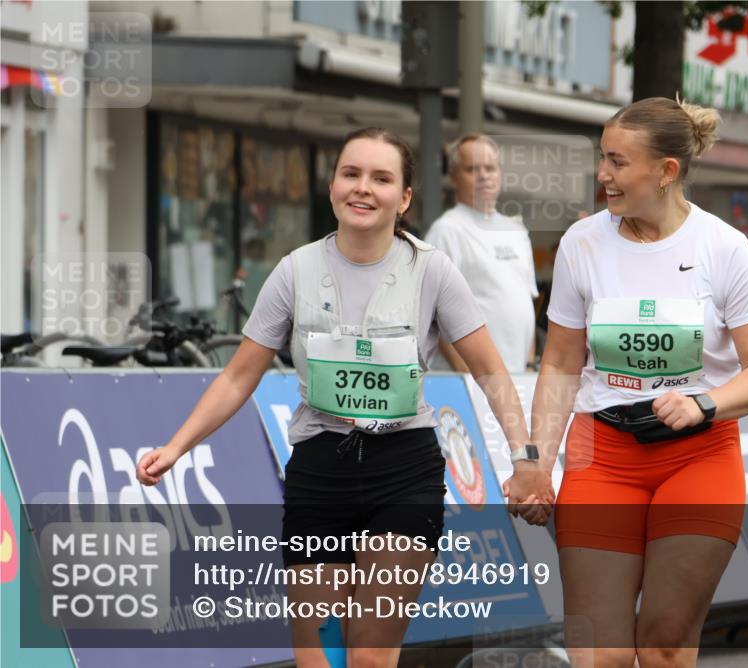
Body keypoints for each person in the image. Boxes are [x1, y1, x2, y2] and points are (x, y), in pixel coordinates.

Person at [136, 127, 553, 668]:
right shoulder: (294, 270)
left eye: (381, 179)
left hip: (404, 469)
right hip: (320, 469)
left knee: (370, 660)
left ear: (403, 199)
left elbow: (491, 371)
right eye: (351, 174)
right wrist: (177, 446)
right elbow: (239, 376)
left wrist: (525, 459)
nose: (363, 188)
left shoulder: (432, 270)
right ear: (332, 186)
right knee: (318, 659)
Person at [529, 98, 748, 668]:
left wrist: (706, 402)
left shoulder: (724, 248)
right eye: (602, 159)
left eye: (618, 162)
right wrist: (536, 462)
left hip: (699, 457)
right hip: (602, 453)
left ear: (666, 172)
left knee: (665, 645)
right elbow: (561, 364)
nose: (603, 175)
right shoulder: (582, 244)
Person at [425, 134, 539, 373]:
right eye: (473, 169)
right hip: (472, 384)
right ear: (454, 178)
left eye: (490, 168)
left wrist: (529, 365)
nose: (484, 175)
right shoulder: (446, 230)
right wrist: (467, 373)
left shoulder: (516, 231)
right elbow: (432, 314)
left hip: (518, 379)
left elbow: (525, 303)